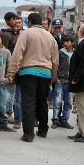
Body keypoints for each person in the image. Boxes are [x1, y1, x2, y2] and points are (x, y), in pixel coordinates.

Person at [7, 13, 59, 142]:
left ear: (29, 22)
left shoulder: (26, 33)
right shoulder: (50, 36)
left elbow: (18, 53)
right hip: (45, 73)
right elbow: (56, 59)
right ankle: (42, 130)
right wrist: (53, 75)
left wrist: (11, 71)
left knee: (28, 103)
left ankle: (28, 134)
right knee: (42, 102)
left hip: (28, 72)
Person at [0, 31, 16, 132]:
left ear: (2, 40)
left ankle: (3, 124)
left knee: (2, 105)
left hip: (2, 83)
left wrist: (9, 76)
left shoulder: (6, 52)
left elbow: (9, 65)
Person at [51, 34, 75, 129]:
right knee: (57, 101)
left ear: (72, 43)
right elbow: (55, 65)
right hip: (60, 80)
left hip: (70, 82)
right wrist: (55, 78)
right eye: (64, 41)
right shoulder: (59, 52)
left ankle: (65, 120)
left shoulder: (75, 53)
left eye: (68, 41)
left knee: (68, 102)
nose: (66, 43)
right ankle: (55, 120)